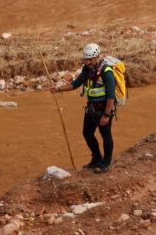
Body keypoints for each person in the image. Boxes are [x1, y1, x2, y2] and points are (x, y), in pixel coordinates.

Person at [50, 43, 116, 173]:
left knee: (105, 135)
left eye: (91, 59)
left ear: (97, 57)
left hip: (104, 109)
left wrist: (106, 115)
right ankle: (97, 159)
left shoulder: (106, 72)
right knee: (87, 133)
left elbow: (111, 96)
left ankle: (106, 163)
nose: (88, 62)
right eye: (86, 59)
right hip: (91, 107)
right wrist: (59, 88)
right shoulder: (87, 69)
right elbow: (76, 83)